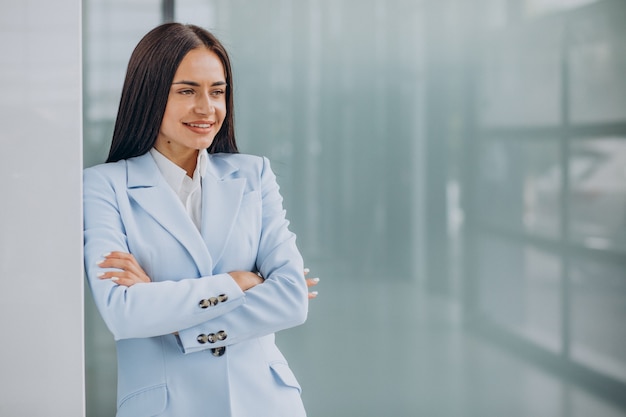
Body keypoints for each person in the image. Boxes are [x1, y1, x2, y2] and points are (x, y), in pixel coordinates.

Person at [83, 23, 317, 417]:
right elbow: (123, 311)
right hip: (166, 406)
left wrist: (174, 319)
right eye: (187, 91)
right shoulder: (104, 186)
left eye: (218, 92)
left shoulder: (253, 176)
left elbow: (292, 299)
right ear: (150, 94)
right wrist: (238, 282)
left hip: (263, 402)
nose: (207, 108)